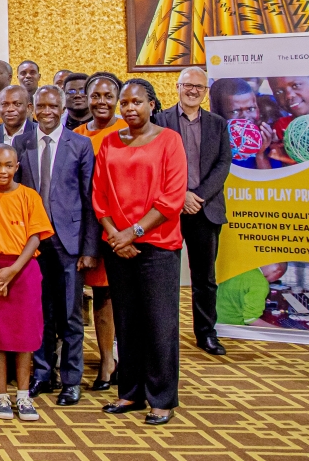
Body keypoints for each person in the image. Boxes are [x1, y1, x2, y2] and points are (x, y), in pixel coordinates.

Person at [93, 80, 188, 426]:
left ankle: (162, 398)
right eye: (125, 102)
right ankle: (130, 391)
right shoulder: (109, 143)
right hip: (118, 245)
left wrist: (133, 232)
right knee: (128, 322)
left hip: (158, 246)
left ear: (151, 104)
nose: (129, 108)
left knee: (160, 324)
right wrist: (114, 235)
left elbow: (172, 198)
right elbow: (99, 194)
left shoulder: (169, 141)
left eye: (137, 102)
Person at [15, 85, 99, 405]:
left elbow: (90, 199)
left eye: (53, 105)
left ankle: (71, 380)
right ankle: (42, 374)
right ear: (34, 108)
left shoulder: (80, 145)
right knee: (40, 313)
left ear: (62, 108)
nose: (47, 111)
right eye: (41, 105)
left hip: (70, 243)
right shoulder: (22, 143)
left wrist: (90, 249)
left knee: (70, 316)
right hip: (33, 244)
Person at [157, 66, 232, 356]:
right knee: (165, 278)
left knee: (204, 278)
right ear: (177, 87)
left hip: (205, 208)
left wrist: (196, 196)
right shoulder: (160, 121)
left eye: (199, 87)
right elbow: (156, 166)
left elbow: (223, 164)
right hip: (167, 211)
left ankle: (206, 333)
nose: (193, 91)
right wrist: (181, 195)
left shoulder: (217, 124)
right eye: (188, 85)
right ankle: (165, 336)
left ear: (205, 92)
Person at [0, 144, 54, 421]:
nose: (3, 171)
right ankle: (0, 395)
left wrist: (13, 270)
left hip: (24, 271)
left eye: (8, 165)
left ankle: (23, 396)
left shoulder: (29, 196)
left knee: (24, 338)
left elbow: (35, 236)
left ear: (17, 167)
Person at [74, 71, 123, 388]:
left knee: (116, 298)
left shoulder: (128, 131)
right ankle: (96, 361)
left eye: (108, 96)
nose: (101, 101)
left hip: (121, 225)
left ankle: (116, 361)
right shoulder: (77, 135)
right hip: (85, 226)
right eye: (96, 96)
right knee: (91, 298)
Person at [210, 77, 281, 169]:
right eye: (235, 111)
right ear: (219, 114)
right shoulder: (213, 148)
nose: (245, 117)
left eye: (251, 109)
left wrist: (261, 153)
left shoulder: (268, 142)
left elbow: (271, 182)